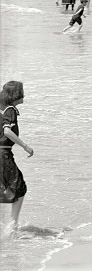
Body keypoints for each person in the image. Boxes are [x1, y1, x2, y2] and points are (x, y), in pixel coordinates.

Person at [0, 81, 33, 231]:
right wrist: (25, 146)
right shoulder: (10, 110)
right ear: (16, 95)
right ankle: (12, 227)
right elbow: (7, 131)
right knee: (19, 188)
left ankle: (10, 226)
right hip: (3, 154)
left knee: (9, 189)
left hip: (3, 153)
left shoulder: (3, 109)